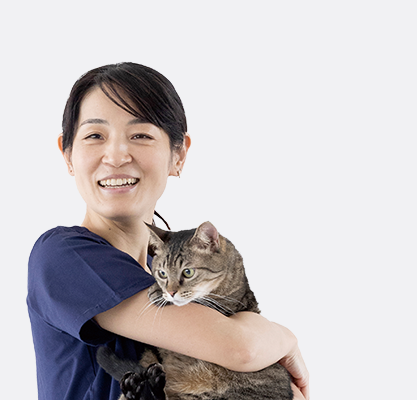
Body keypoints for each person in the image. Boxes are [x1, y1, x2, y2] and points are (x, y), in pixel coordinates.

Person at [27, 62, 309, 400]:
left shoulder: (170, 270)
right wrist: (285, 339)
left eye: (140, 135)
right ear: (68, 155)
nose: (115, 156)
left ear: (179, 155)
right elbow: (242, 349)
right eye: (95, 136)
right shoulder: (64, 256)